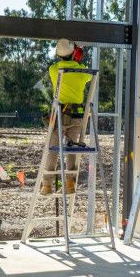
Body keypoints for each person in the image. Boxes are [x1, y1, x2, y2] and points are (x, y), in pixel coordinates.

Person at [41, 38, 92, 195]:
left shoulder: (54, 70)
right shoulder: (82, 71)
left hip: (60, 115)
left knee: (53, 149)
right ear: (74, 54)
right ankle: (70, 183)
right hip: (77, 116)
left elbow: (55, 65)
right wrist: (77, 60)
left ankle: (47, 185)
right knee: (72, 148)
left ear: (59, 55)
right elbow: (89, 76)